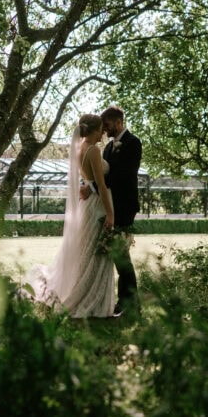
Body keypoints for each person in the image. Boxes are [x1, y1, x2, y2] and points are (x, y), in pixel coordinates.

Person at [24, 114, 117, 318]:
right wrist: (110, 214)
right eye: (101, 128)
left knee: (88, 250)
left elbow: (89, 181)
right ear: (94, 130)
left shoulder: (80, 149)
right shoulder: (92, 149)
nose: (103, 132)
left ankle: (88, 295)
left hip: (88, 205)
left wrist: (90, 187)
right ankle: (90, 299)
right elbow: (101, 185)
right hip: (98, 206)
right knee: (96, 252)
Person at [80, 106, 142, 314]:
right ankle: (125, 302)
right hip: (108, 206)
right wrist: (90, 186)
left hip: (124, 206)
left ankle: (130, 303)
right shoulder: (106, 148)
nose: (104, 130)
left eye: (107, 125)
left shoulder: (134, 143)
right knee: (116, 255)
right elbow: (100, 175)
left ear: (117, 122)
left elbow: (122, 176)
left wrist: (95, 186)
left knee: (121, 254)